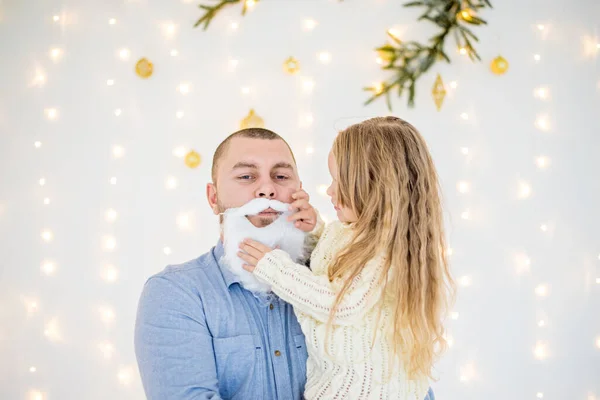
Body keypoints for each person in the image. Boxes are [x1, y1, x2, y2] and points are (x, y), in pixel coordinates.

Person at [134, 126, 437, 399]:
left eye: (280, 176)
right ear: (213, 198)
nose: (266, 189)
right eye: (246, 176)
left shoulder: (335, 275)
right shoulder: (177, 294)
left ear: (298, 190)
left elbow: (402, 382)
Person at [238, 117, 454, 399]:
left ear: (376, 187)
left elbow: (340, 303)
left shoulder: (386, 250)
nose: (329, 191)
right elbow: (339, 263)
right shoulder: (353, 232)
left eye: (340, 181)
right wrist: (314, 230)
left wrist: (275, 269)